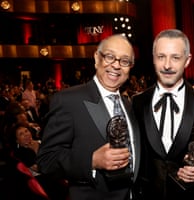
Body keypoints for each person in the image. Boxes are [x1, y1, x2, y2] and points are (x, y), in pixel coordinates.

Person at [36, 34, 141, 200]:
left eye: (125, 61)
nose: (116, 65)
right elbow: (46, 161)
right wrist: (91, 160)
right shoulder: (68, 100)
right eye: (109, 56)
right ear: (96, 58)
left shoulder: (129, 105)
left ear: (130, 67)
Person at [132, 29, 194, 200]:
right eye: (161, 57)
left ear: (187, 60)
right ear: (153, 58)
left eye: (175, 57)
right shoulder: (137, 103)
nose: (167, 65)